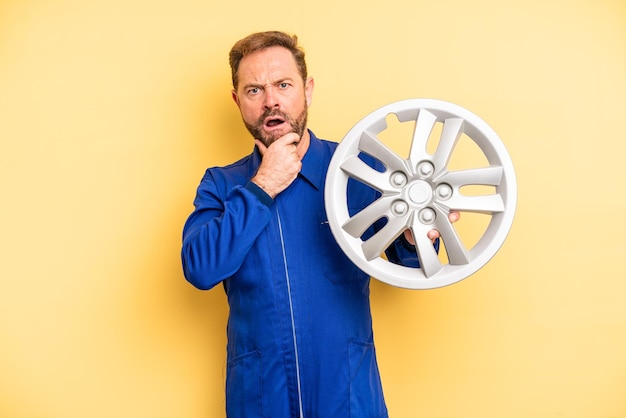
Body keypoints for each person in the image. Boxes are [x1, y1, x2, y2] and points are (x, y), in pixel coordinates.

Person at [181, 30, 458, 418]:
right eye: (254, 90)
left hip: (347, 395)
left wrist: (413, 238)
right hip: (260, 398)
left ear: (307, 90)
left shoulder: (359, 172)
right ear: (237, 101)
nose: (271, 100)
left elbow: (407, 267)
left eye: (283, 84)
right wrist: (262, 186)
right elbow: (201, 268)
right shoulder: (220, 184)